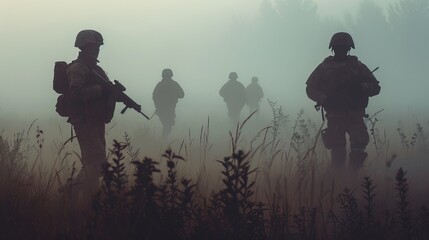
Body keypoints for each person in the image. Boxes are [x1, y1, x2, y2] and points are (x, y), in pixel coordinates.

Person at [306, 32, 380, 172]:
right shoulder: (324, 67)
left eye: (343, 48)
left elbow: (375, 87)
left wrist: (360, 88)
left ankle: (353, 181)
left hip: (354, 114)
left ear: (348, 49)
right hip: (335, 115)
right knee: (338, 154)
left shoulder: (357, 66)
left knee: (358, 151)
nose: (341, 51)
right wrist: (326, 99)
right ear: (333, 49)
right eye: (339, 48)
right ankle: (340, 183)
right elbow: (310, 89)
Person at [59, 30, 116, 200]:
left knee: (95, 163)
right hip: (84, 121)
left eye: (98, 46)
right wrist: (101, 90)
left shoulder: (95, 69)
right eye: (93, 46)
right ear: (84, 47)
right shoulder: (78, 69)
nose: (97, 49)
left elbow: (105, 91)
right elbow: (75, 94)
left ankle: (91, 198)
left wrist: (113, 93)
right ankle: (70, 189)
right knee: (95, 161)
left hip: (95, 120)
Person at [152, 68, 184, 137]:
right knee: (167, 126)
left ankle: (163, 141)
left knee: (168, 126)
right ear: (171, 75)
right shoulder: (174, 84)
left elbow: (154, 96)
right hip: (167, 109)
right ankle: (164, 142)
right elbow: (181, 95)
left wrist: (157, 105)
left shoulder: (160, 85)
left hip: (165, 109)